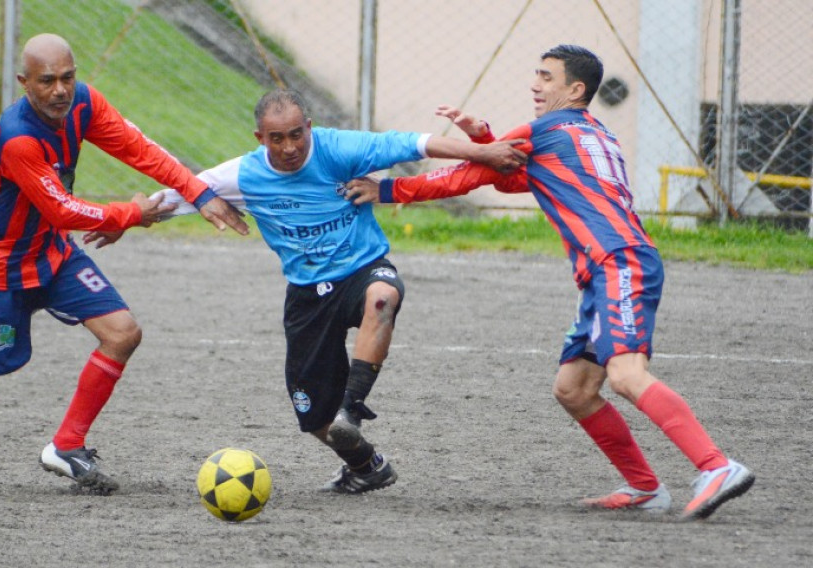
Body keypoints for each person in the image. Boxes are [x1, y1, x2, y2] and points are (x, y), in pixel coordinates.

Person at [345, 44, 754, 519]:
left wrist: (388, 188)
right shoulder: (593, 133)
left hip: (618, 262)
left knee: (626, 375)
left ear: (575, 89)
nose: (534, 85)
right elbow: (509, 178)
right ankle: (644, 488)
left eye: (546, 77)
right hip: (607, 268)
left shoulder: (544, 130)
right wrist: (485, 138)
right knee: (574, 388)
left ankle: (716, 466)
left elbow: (470, 175)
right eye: (535, 75)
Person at [96, 88, 526, 493]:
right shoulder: (242, 175)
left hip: (362, 270)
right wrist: (125, 219)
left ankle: (352, 408)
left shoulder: (338, 148)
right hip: (306, 295)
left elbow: (417, 143)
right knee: (314, 417)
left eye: (296, 135)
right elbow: (175, 197)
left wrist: (483, 151)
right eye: (277, 138)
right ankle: (366, 467)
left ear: (309, 128)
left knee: (383, 296)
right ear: (260, 138)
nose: (289, 147)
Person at [0, 33, 249, 494]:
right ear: (24, 83)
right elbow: (61, 209)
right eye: (47, 81)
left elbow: (140, 150)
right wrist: (129, 214)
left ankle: (66, 445)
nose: (60, 90)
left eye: (67, 77)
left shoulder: (83, 104)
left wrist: (200, 192)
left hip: (54, 253)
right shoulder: (17, 138)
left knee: (123, 333)